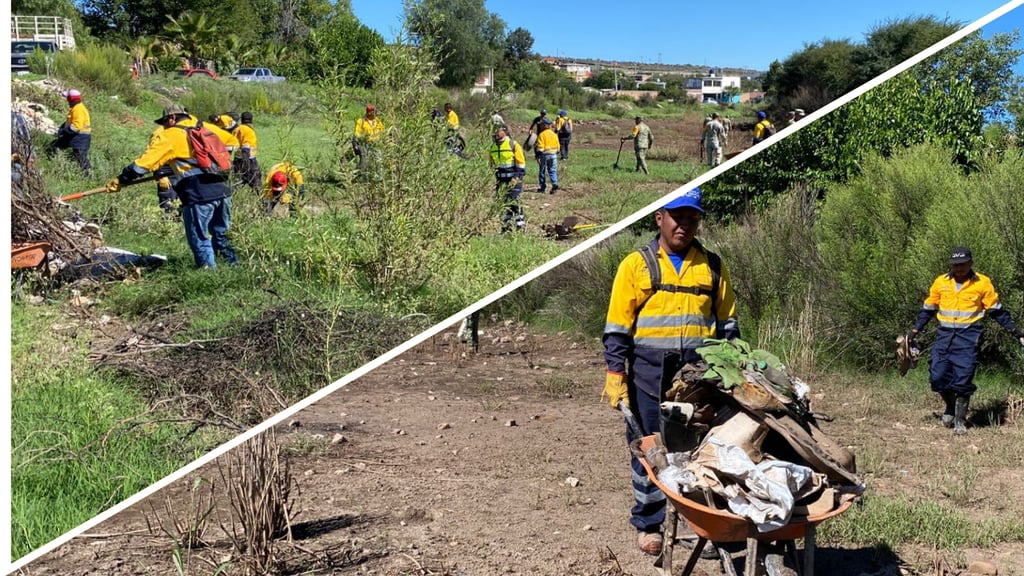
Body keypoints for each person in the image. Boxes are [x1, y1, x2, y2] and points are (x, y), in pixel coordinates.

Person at [602, 187, 740, 556]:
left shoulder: (712, 266)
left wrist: (733, 368)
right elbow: (617, 328)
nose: (684, 224)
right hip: (649, 376)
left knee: (698, 452)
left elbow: (728, 325)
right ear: (659, 218)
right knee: (649, 451)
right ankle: (649, 524)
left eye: (692, 218)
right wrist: (616, 375)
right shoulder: (636, 264)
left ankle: (700, 526)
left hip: (698, 380)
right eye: (677, 216)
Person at [909, 246, 1024, 435]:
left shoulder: (982, 283)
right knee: (937, 377)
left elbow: (997, 311)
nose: (959, 268)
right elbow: (928, 309)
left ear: (970, 263)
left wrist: (1016, 332)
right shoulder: (941, 282)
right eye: (956, 265)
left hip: (968, 337)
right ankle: (951, 405)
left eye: (963, 264)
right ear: (951, 265)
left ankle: (960, 422)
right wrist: (913, 332)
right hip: (944, 336)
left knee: (963, 380)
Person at [106, 104, 237, 269]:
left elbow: (142, 165)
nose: (163, 127)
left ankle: (209, 277)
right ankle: (233, 267)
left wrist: (120, 180)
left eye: (164, 122)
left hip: (198, 193)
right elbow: (232, 141)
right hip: (224, 189)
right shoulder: (205, 126)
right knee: (221, 234)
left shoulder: (171, 135)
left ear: (172, 118)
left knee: (199, 237)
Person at [488, 125, 527, 232]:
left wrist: (516, 177)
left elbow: (521, 164)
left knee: (514, 202)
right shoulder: (493, 147)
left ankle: (520, 227)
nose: (495, 133)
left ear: (504, 132)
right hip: (500, 181)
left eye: (498, 131)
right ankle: (506, 227)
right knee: (502, 203)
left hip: (513, 180)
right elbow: (491, 165)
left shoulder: (513, 145)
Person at [51, 89, 92, 175]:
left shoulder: (78, 109)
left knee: (80, 156)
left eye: (67, 98)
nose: (66, 100)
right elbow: (71, 121)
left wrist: (63, 132)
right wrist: (63, 127)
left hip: (81, 138)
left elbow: (76, 127)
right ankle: (54, 162)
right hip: (75, 135)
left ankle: (88, 175)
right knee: (56, 145)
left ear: (70, 99)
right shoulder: (75, 108)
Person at [353, 104, 385, 178]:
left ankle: (379, 179)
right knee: (367, 162)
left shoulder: (377, 121)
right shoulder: (361, 121)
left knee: (378, 161)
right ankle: (366, 180)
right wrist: (355, 144)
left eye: (373, 112)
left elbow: (383, 131)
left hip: (377, 143)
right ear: (368, 112)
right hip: (366, 144)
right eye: (371, 112)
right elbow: (357, 133)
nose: (373, 114)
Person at [233, 111, 261, 193]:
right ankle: (263, 203)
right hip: (248, 160)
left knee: (237, 183)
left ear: (241, 120)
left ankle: (234, 199)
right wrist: (246, 165)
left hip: (237, 160)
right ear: (251, 120)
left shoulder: (237, 129)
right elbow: (246, 147)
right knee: (256, 184)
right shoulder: (248, 130)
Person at [535, 117, 560, 193]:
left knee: (542, 171)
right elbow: (558, 147)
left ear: (545, 125)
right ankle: (554, 184)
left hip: (544, 155)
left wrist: (538, 156)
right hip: (553, 154)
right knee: (552, 170)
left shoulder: (541, 135)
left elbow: (540, 148)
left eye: (541, 124)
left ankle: (542, 188)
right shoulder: (554, 134)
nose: (540, 126)